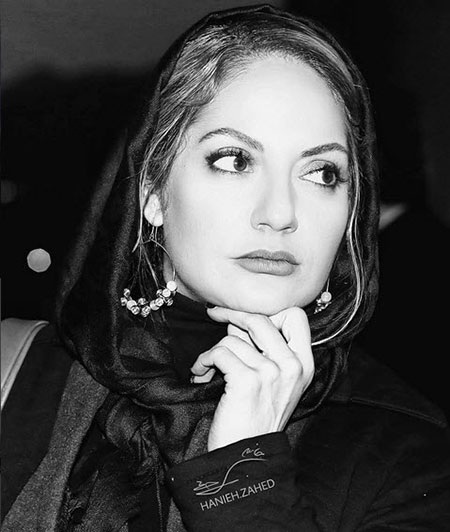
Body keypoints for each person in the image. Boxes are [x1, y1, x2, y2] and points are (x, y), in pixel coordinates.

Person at [2, 4, 450, 531]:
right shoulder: (23, 374)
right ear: (152, 192)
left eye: (322, 173)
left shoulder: (407, 454)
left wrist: (244, 477)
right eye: (234, 160)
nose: (279, 213)